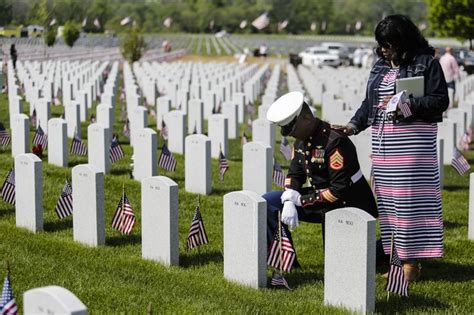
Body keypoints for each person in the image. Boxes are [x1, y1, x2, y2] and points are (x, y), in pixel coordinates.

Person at [337, 15, 448, 281]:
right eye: (380, 45)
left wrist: (405, 103)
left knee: (409, 204)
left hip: (413, 147)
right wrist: (352, 126)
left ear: (404, 40)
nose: (384, 50)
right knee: (388, 205)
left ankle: (410, 263)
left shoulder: (427, 64)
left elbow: (440, 101)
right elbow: (370, 104)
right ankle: (396, 257)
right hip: (384, 148)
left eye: (388, 44)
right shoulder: (379, 67)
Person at [264, 91, 378, 269]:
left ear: (306, 118)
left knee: (344, 262)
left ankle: (388, 250)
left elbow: (339, 191)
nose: (290, 134)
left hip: (348, 203)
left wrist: (300, 200)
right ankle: (287, 263)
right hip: (323, 200)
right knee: (269, 202)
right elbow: (295, 174)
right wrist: (288, 198)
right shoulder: (301, 141)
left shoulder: (334, 142)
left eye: (292, 129)